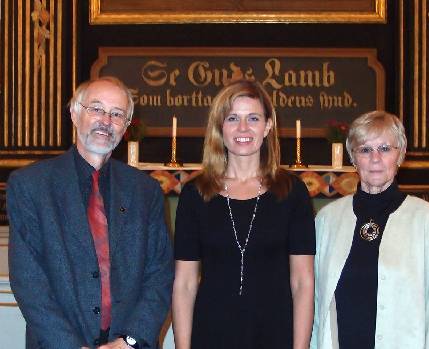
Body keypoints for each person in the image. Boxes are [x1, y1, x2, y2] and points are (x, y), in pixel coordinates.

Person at [7, 76, 174, 349]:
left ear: (126, 126)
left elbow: (160, 274)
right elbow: (29, 281)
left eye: (117, 114)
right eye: (96, 109)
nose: (106, 121)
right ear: (74, 113)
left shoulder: (146, 191)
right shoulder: (31, 186)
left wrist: (128, 341)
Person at [172, 79, 316, 349]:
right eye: (232, 118)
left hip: (275, 333)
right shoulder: (196, 193)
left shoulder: (291, 191)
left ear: (268, 126)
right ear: (219, 128)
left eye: (253, 118)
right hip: (211, 333)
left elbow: (302, 282)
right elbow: (185, 283)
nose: (243, 128)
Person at [311, 111, 429, 348]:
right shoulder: (327, 219)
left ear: (400, 155)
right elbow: (317, 303)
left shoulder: (427, 219)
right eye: (365, 150)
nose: (375, 158)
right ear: (353, 158)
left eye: (385, 149)